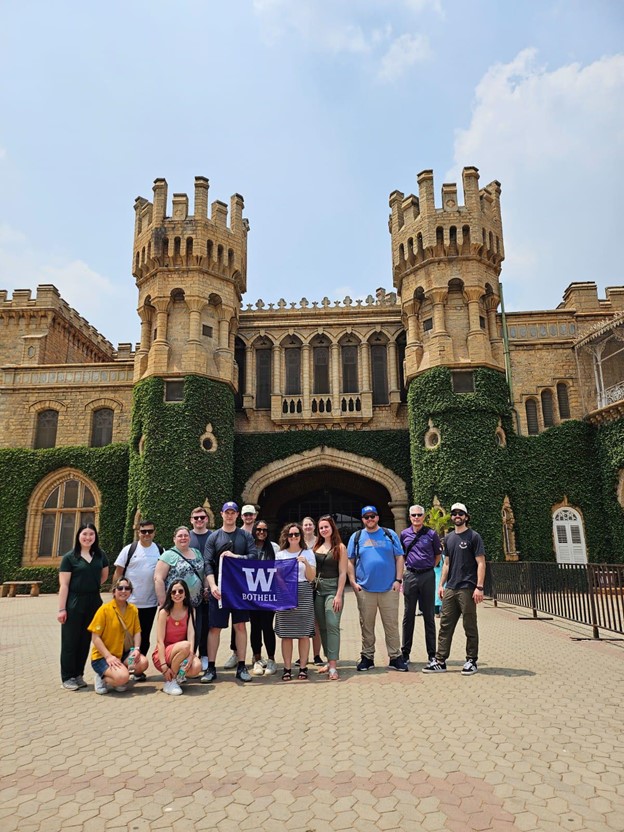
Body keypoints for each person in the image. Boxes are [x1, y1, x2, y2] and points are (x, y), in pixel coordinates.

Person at [422, 503, 486, 675]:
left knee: (469, 625)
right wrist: (441, 585)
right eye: (454, 513)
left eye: (460, 513)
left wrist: (479, 587)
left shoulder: (474, 537)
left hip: (467, 588)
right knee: (445, 625)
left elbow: (481, 562)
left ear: (466, 516)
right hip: (451, 587)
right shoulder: (449, 538)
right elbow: (446, 564)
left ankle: (471, 660)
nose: (457, 516)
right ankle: (440, 661)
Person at [347, 505, 408, 672]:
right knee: (366, 624)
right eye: (366, 517)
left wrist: (398, 580)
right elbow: (350, 561)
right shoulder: (357, 536)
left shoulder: (390, 534)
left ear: (378, 517)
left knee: (391, 624)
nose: (370, 519)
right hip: (365, 589)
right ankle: (367, 657)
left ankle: (395, 657)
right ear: (362, 519)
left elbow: (399, 557)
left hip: (389, 588)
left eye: (372, 516)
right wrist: (353, 581)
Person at [202, 502, 255, 683]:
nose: (230, 516)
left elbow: (253, 557)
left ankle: (241, 666)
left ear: (237, 515)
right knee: (214, 628)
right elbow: (207, 563)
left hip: (239, 590)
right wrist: (213, 585)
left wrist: (237, 557)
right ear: (222, 514)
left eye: (233, 513)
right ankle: (210, 668)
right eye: (227, 512)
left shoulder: (245, 536)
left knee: (240, 626)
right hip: (219, 590)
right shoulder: (214, 537)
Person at [58, 524, 109, 691]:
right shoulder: (70, 558)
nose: (88, 537)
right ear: (78, 536)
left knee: (85, 640)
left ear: (95, 537)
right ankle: (67, 676)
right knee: (70, 640)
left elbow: (103, 577)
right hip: (74, 600)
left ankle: (78, 674)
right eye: (84, 534)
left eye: (91, 534)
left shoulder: (100, 555)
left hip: (94, 600)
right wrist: (62, 609)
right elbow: (64, 585)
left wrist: (90, 586)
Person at [112, 519, 164, 681]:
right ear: (138, 532)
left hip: (149, 603)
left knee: (144, 637)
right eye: (143, 531)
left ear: (154, 532)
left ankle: (138, 669)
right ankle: (121, 668)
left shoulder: (160, 550)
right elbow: (118, 572)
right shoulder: (129, 549)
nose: (146, 534)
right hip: (129, 603)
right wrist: (115, 594)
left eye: (150, 531)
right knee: (124, 638)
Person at [88, 577, 149, 694]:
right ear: (114, 591)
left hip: (123, 653)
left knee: (143, 663)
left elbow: (137, 632)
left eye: (127, 588)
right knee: (123, 678)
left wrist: (136, 649)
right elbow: (95, 637)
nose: (123, 591)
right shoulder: (104, 610)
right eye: (120, 588)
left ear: (131, 592)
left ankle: (118, 677)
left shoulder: (133, 610)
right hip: (103, 656)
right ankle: (102, 677)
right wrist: (108, 656)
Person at [400, 504, 442, 666]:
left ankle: (432, 654)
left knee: (429, 616)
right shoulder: (404, 534)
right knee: (408, 615)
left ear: (423, 517)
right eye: (413, 515)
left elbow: (438, 555)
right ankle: (405, 653)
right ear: (409, 517)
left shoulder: (431, 534)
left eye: (419, 515)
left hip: (427, 576)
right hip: (410, 575)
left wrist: (428, 567)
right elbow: (401, 556)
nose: (416, 518)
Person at [274, 522, 316, 681]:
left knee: (304, 634)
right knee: (286, 634)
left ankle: (303, 667)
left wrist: (305, 562)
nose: (293, 537)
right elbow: (277, 577)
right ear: (286, 536)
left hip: (303, 592)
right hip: (285, 593)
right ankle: (287, 668)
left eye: (296, 534)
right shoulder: (280, 554)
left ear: (300, 536)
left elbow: (311, 577)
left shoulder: (308, 553)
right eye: (290, 534)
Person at [220, 503, 258, 670]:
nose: (248, 517)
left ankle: (257, 656)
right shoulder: (233, 533)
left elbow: (256, 557)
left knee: (255, 622)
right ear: (240, 516)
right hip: (234, 586)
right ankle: (236, 653)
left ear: (255, 516)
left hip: (255, 584)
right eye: (246, 515)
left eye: (251, 514)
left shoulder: (259, 532)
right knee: (237, 623)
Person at [313, 515, 348, 680]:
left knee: (332, 624)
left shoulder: (340, 547)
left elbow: (343, 572)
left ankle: (333, 666)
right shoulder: (316, 546)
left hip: (333, 589)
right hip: (317, 590)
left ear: (332, 528)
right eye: (321, 528)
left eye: (326, 527)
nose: (324, 530)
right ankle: (329, 660)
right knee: (322, 627)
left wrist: (339, 595)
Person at [153, 580, 202, 696]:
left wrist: (191, 656)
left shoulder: (190, 611)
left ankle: (178, 675)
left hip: (183, 652)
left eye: (180, 591)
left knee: (196, 667)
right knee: (186, 645)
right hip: (163, 655)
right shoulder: (164, 612)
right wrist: (164, 666)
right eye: (173, 592)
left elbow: (191, 635)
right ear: (170, 594)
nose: (177, 594)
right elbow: (159, 641)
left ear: (185, 594)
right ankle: (170, 681)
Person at [249, 520, 279, 676]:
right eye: (258, 530)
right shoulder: (249, 547)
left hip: (269, 595)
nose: (261, 532)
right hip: (252, 594)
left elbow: (281, 568)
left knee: (267, 626)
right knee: (255, 627)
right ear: (254, 531)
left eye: (264, 530)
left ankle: (272, 659)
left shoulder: (274, 548)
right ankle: (257, 659)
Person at [154, 526, 204, 609]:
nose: (183, 538)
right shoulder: (168, 555)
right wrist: (163, 603)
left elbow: (203, 573)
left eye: (186, 535)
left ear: (190, 538)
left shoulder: (197, 552)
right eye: (180, 536)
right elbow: (158, 579)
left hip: (197, 604)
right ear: (174, 539)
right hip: (176, 604)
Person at [188, 506, 213, 671]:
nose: (199, 520)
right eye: (196, 518)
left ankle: (204, 654)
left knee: (206, 623)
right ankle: (190, 655)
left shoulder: (214, 536)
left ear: (207, 519)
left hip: (210, 587)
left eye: (202, 517)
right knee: (190, 623)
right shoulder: (186, 536)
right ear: (191, 520)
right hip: (189, 589)